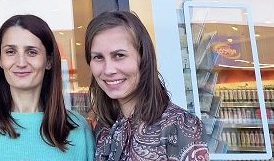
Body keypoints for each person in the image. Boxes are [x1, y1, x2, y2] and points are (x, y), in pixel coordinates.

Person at [0, 14, 94, 161]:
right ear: (0, 59)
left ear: (49, 60)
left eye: (32, 52)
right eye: (10, 52)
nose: (21, 63)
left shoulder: (78, 128)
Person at [85, 11, 208, 161]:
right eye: (98, 57)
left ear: (143, 57)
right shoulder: (104, 128)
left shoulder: (181, 126)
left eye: (119, 55)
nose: (108, 70)